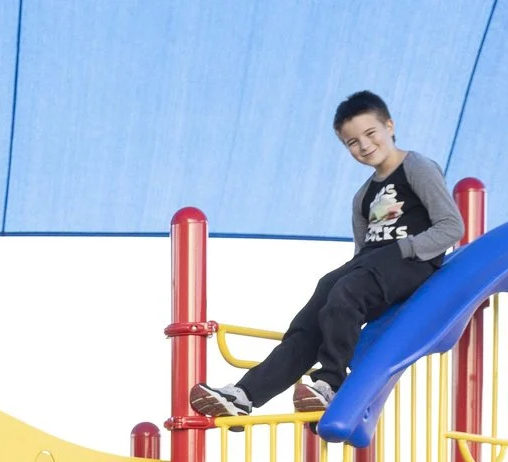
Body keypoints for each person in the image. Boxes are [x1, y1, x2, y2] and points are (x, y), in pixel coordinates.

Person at [189, 91, 462, 419]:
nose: (364, 145)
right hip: (371, 265)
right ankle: (245, 395)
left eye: (370, 133)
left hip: (411, 261)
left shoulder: (416, 166)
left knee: (346, 291)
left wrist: (406, 248)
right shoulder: (363, 196)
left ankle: (331, 382)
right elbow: (362, 250)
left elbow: (452, 226)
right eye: (352, 142)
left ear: (389, 126)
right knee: (313, 315)